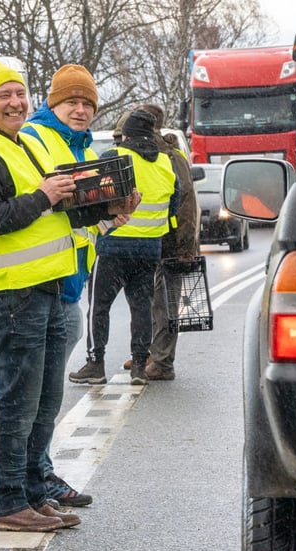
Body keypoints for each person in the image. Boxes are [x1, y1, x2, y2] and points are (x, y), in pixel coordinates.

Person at [0, 60, 138, 532]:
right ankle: (6, 502)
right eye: (3, 96)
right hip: (11, 297)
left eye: (19, 93)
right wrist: (44, 197)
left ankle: (32, 491)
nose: (14, 102)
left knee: (39, 404)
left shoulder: (16, 147)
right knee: (14, 405)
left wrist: (110, 214)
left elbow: (55, 217)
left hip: (47, 291)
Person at [22, 63, 129, 508]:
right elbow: (34, 210)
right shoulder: (35, 140)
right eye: (72, 102)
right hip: (35, 286)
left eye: (88, 104)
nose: (81, 110)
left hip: (68, 284)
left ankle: (39, 476)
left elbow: (75, 224)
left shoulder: (82, 148)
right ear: (52, 102)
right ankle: (28, 483)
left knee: (47, 396)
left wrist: (111, 219)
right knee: (31, 398)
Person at [69, 109, 180, 386]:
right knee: (141, 307)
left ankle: (96, 364)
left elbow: (90, 197)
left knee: (99, 306)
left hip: (114, 246)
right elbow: (175, 206)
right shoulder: (166, 164)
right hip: (149, 249)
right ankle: (140, 367)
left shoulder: (113, 158)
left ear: (126, 135)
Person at [135, 103, 200, 381]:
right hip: (152, 240)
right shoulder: (150, 154)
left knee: (165, 304)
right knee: (151, 302)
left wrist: (186, 247)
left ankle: (163, 363)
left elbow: (186, 203)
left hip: (173, 242)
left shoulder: (171, 157)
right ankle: (151, 353)